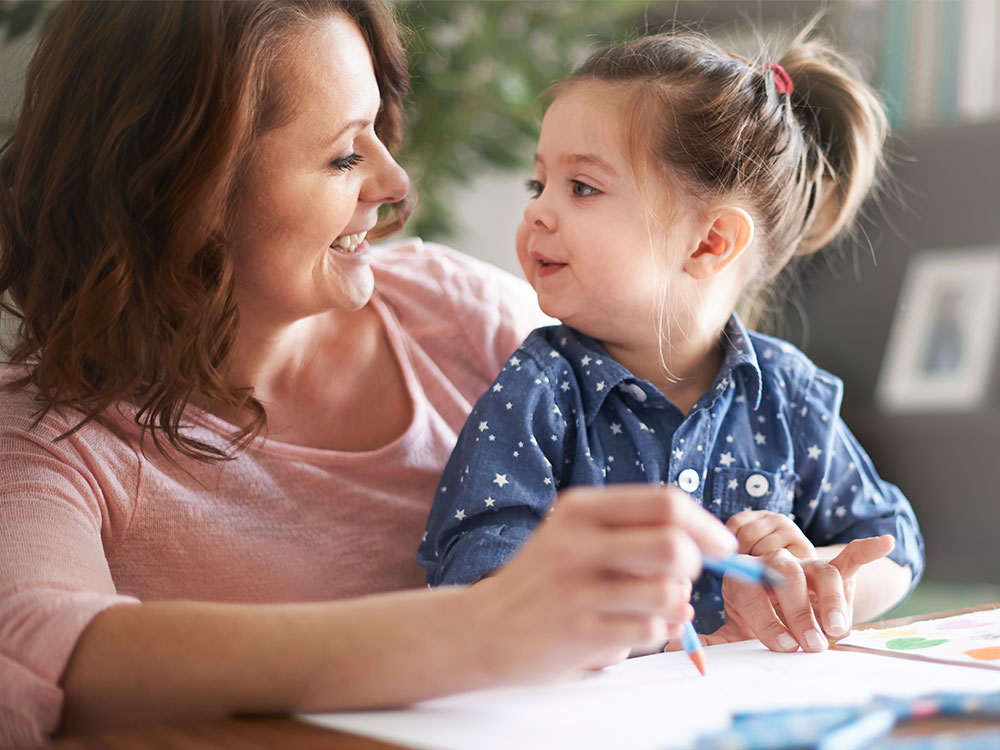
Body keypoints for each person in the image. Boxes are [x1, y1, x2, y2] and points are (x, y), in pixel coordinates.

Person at [0, 1, 742, 745]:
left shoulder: (462, 317)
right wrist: (482, 627)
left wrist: (769, 555)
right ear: (180, 190)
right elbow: (36, 650)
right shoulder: (47, 441)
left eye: (377, 131)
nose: (394, 183)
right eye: (345, 156)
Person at [419, 28, 924, 653]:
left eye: (581, 187)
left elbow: (894, 545)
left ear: (710, 243)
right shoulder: (539, 389)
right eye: (538, 184)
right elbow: (475, 581)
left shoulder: (790, 394)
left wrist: (815, 580)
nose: (537, 213)